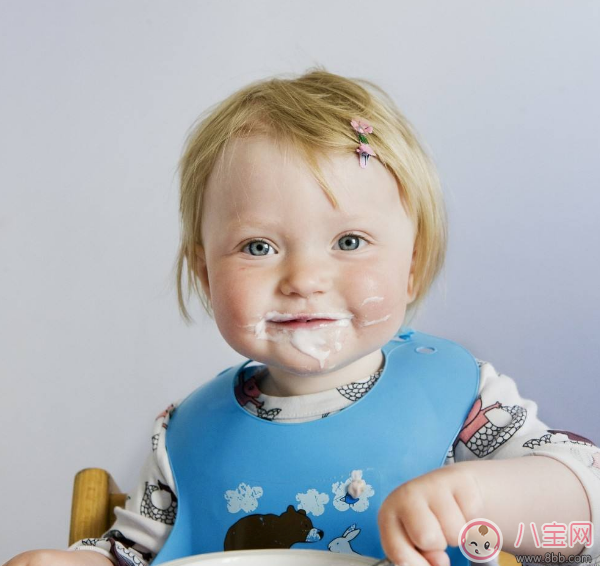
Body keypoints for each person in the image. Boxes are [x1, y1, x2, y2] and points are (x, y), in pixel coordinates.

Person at [6, 69, 599, 566]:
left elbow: (586, 511)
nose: (304, 280)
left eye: (349, 241)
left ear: (411, 267)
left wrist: (480, 495)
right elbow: (131, 553)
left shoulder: (459, 397)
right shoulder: (187, 433)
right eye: (259, 247)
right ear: (206, 275)